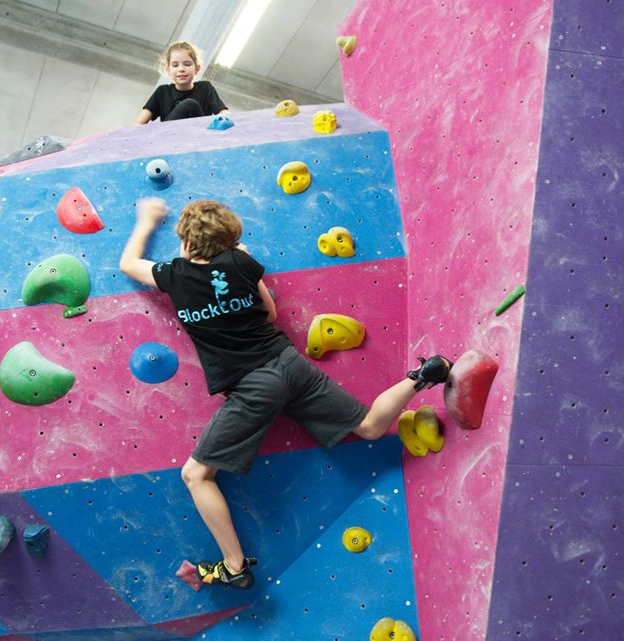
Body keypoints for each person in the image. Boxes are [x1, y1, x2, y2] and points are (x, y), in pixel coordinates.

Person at [119, 197, 451, 589]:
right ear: (229, 241)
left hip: (252, 387)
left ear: (187, 246)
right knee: (368, 426)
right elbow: (271, 315)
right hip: (289, 365)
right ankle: (426, 374)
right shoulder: (242, 263)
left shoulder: (174, 274)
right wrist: (239, 262)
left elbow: (128, 264)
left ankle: (234, 565)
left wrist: (147, 219)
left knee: (196, 475)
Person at [135, 41, 229, 124]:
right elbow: (139, 124)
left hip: (196, 137)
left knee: (190, 105)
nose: (181, 69)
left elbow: (224, 114)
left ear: (197, 69)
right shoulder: (162, 92)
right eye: (175, 65)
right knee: (189, 104)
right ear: (168, 70)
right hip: (170, 137)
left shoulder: (205, 88)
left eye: (187, 64)